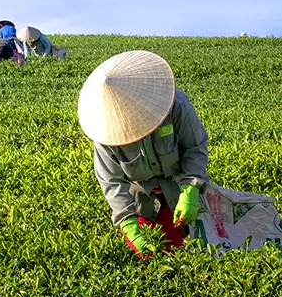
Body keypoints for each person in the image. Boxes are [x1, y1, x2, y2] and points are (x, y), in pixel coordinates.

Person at [79, 50, 209, 257]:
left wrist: (191, 190)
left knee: (184, 244)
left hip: (177, 184)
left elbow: (195, 148)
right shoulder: (104, 131)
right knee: (146, 253)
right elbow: (111, 181)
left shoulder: (177, 106)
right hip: (142, 197)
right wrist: (127, 222)